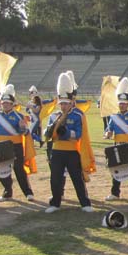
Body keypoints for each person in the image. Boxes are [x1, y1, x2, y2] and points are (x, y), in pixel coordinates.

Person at [44, 73, 94, 213]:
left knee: (77, 178)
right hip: (57, 150)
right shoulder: (54, 115)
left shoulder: (78, 115)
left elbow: (78, 134)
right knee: (55, 178)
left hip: (72, 151)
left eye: (66, 103)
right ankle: (55, 202)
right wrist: (50, 130)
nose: (64, 106)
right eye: (62, 103)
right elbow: (47, 135)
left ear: (71, 102)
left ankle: (85, 203)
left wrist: (65, 132)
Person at [0, 84, 34, 202]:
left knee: (19, 169)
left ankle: (28, 192)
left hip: (15, 146)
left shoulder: (19, 116)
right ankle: (7, 192)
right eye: (3, 103)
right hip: (0, 146)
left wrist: (22, 128)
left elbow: (24, 132)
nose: (5, 105)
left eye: (7, 103)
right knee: (3, 171)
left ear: (12, 104)